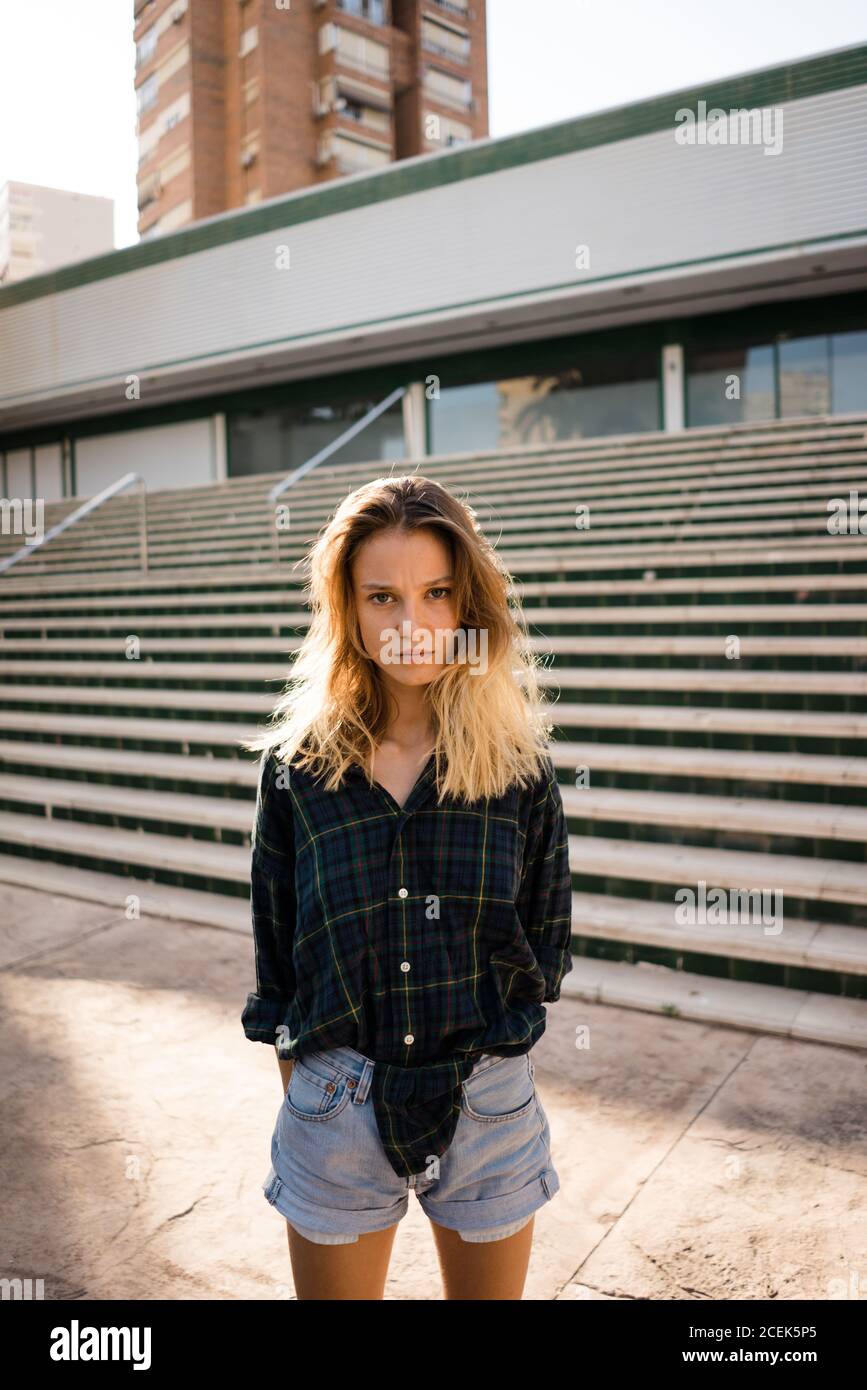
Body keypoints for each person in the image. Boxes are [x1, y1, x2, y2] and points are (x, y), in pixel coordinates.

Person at [241, 472, 573, 1300]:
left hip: (487, 1100)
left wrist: (494, 1063)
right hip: (335, 1106)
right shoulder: (299, 769)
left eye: (436, 594)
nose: (413, 625)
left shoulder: (518, 771)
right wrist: (316, 1094)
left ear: (468, 606)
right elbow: (277, 959)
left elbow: (544, 947)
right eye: (381, 597)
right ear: (347, 610)